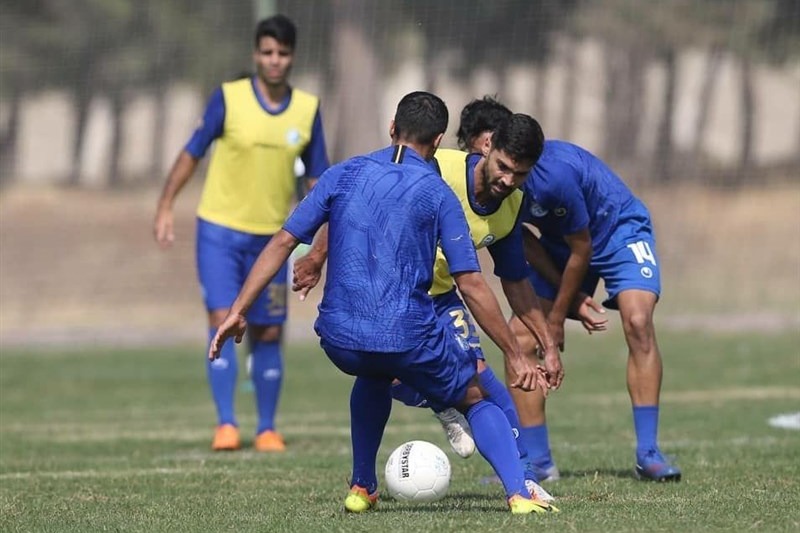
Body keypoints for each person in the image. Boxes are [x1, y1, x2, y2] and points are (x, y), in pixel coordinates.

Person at [210, 91, 557, 515]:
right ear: (438, 141)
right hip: (407, 335)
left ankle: (362, 487)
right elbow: (471, 283)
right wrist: (515, 353)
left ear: (392, 128)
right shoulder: (438, 192)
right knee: (477, 396)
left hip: (338, 338)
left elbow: (283, 242)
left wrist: (238, 310)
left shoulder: (342, 173)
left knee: (373, 373)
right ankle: (519, 492)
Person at [294, 113, 565, 503]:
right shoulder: (438, 168)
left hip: (442, 297)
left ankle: (524, 480)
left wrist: (547, 344)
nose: (508, 180)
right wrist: (318, 255)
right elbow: (363, 198)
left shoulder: (512, 205)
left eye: (519, 174)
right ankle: (436, 410)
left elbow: (515, 281)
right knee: (386, 373)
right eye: (504, 167)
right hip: (396, 297)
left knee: (486, 386)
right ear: (486, 146)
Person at [457, 96, 681, 482]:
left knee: (638, 320)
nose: (481, 158)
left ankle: (649, 453)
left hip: (617, 230)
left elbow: (584, 247)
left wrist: (558, 317)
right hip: (560, 246)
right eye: (476, 151)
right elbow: (520, 240)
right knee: (520, 339)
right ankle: (539, 462)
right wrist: (571, 296)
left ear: (496, 139)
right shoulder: (490, 180)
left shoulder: (552, 175)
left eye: (483, 146)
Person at [152, 15, 329, 452]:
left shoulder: (307, 109)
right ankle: (226, 425)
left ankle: (267, 428)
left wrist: (322, 239)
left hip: (272, 241)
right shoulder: (228, 98)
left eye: (282, 53)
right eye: (267, 52)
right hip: (219, 232)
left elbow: (318, 181)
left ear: (292, 56)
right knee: (221, 320)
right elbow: (192, 153)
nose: (274, 60)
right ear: (256, 54)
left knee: (268, 332)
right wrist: (166, 204)